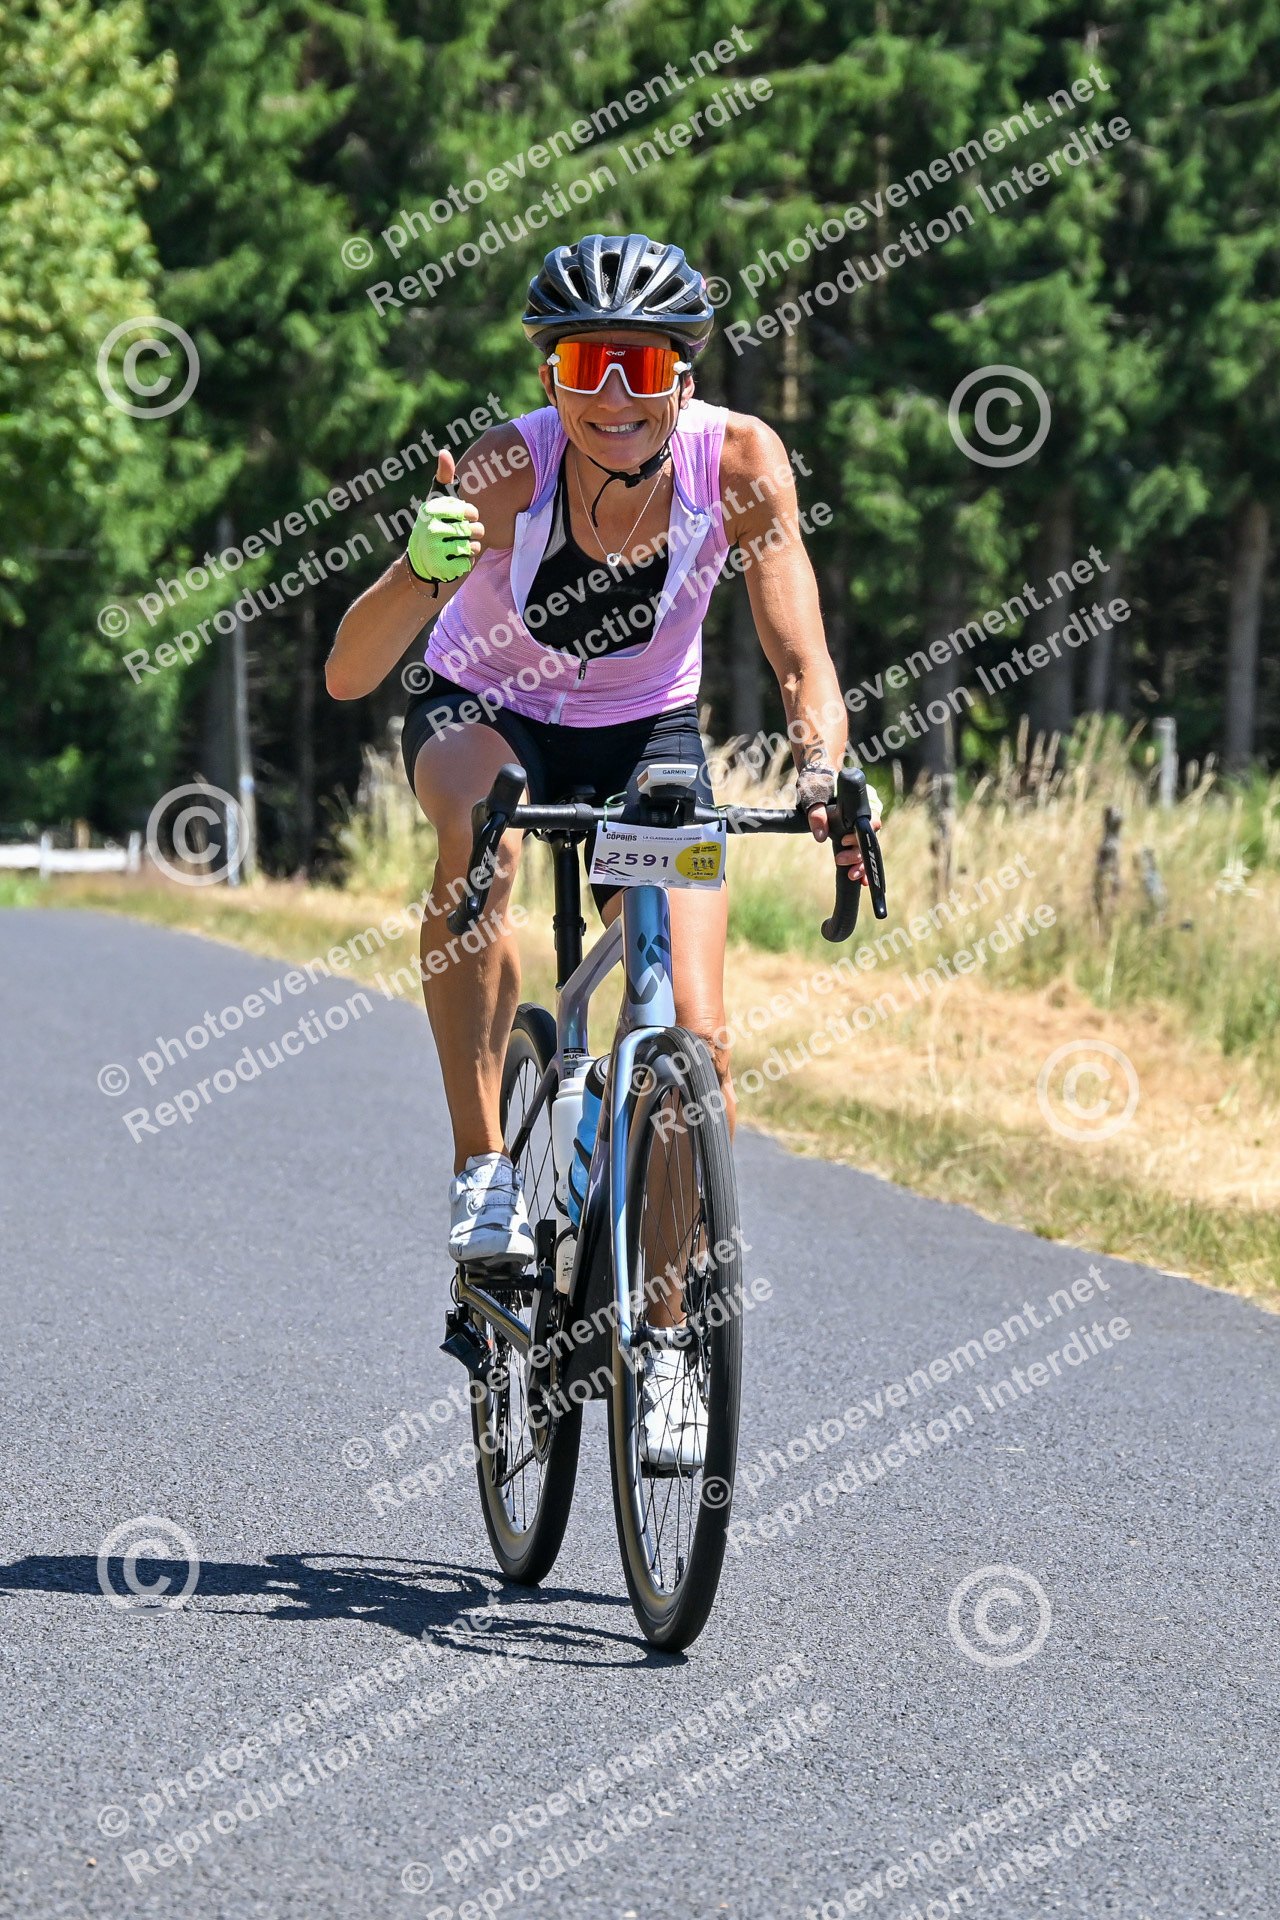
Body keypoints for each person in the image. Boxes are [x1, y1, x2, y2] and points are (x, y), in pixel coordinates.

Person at [328, 233, 871, 1463]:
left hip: (647, 734)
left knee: (697, 1043)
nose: (613, 394)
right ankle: (482, 1165)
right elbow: (350, 672)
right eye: (585, 365)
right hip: (486, 711)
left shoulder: (738, 461)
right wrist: (417, 569)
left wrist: (823, 770)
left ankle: (666, 1346)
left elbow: (800, 657)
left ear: (683, 374)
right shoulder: (501, 469)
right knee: (485, 824)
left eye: (640, 365)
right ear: (550, 374)